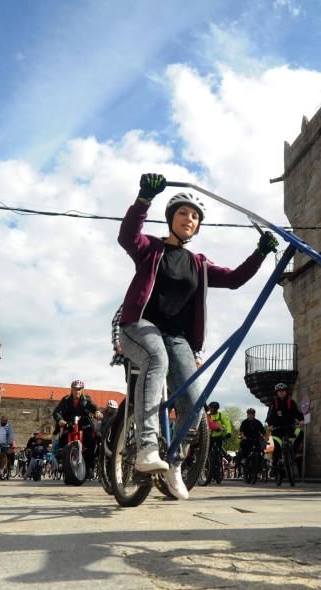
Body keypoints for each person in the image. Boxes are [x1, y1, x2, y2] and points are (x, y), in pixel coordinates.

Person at [116, 173, 278, 500]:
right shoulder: (151, 248)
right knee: (155, 360)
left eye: (194, 216)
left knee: (193, 400)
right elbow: (126, 236)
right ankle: (147, 446)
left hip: (177, 338)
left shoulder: (199, 264)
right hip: (140, 326)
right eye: (182, 213)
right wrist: (143, 199)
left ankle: (174, 462)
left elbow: (234, 279)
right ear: (171, 219)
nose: (189, 219)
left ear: (198, 226)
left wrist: (260, 253)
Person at [52, 380, 98, 479]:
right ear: (71, 389)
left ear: (82, 390)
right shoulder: (66, 400)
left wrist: (97, 412)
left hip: (84, 425)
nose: (77, 391)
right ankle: (61, 462)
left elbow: (93, 407)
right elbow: (57, 412)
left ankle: (90, 467)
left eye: (79, 389)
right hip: (69, 424)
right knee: (63, 439)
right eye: (75, 389)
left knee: (91, 442)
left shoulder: (87, 399)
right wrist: (60, 420)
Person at [238, 407, 267, 479]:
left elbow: (263, 432)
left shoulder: (258, 422)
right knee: (243, 445)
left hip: (256, 439)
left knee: (260, 453)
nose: (250, 415)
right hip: (247, 439)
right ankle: (244, 459)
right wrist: (243, 436)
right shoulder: (244, 422)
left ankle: (259, 469)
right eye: (249, 414)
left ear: (254, 415)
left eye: (252, 414)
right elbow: (241, 432)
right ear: (247, 414)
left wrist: (265, 438)